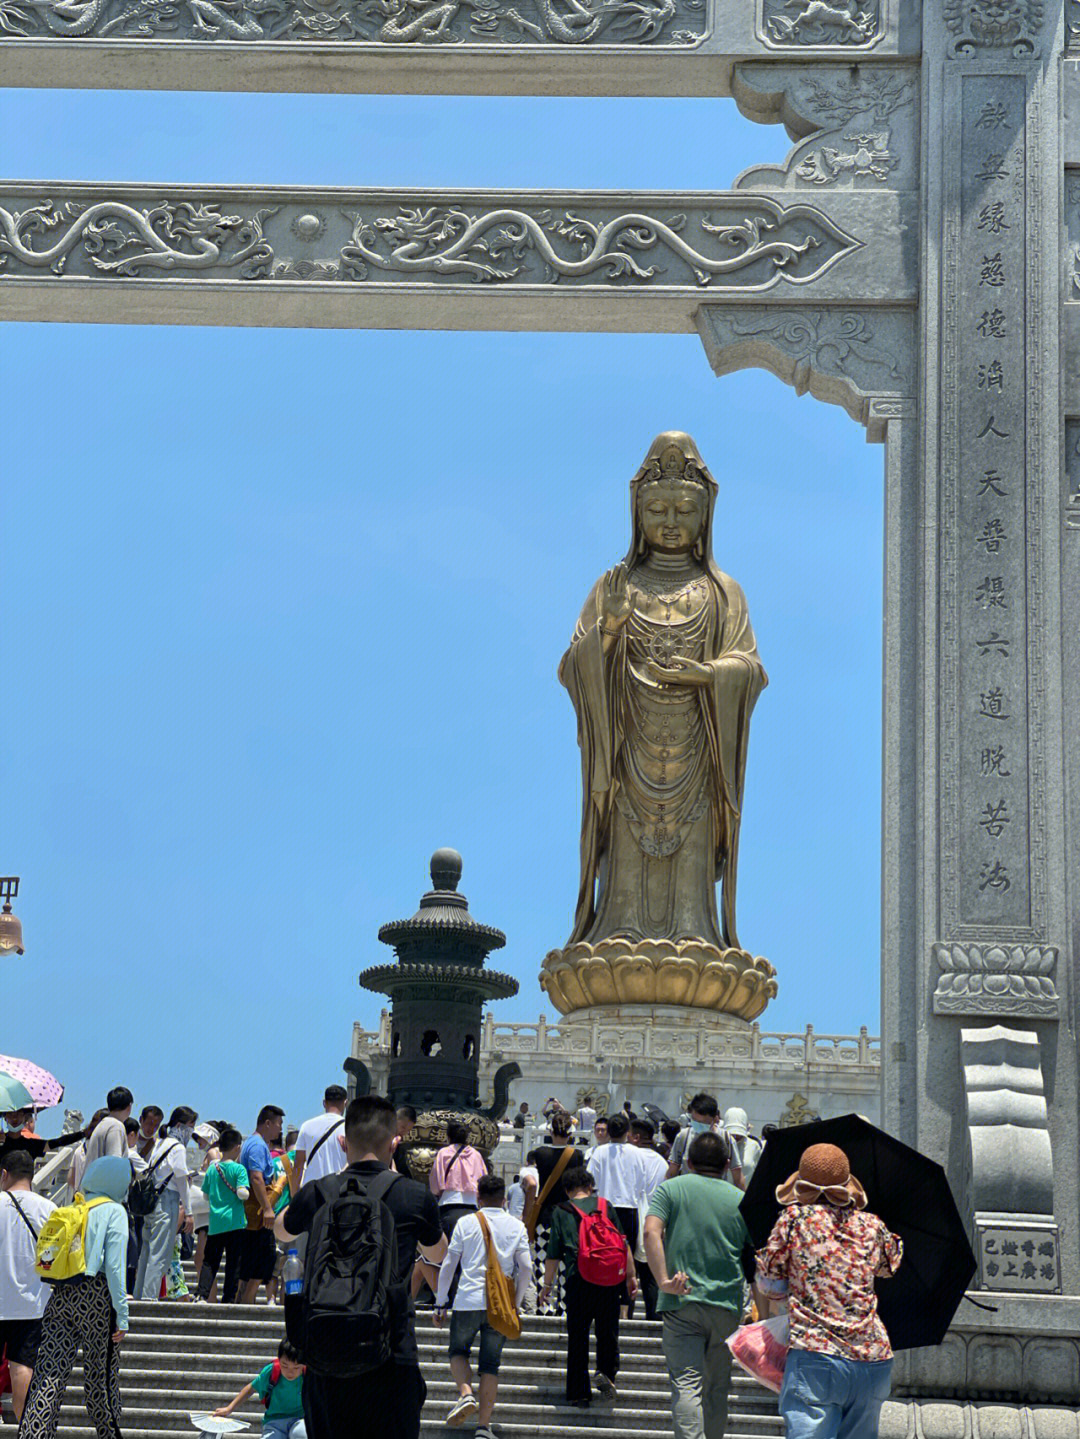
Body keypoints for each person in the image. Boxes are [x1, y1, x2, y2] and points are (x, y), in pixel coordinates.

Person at [276, 1095, 447, 1439]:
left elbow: (282, 1229)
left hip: (326, 1356)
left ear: (343, 1142)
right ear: (394, 1142)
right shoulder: (413, 1195)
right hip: (391, 1355)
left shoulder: (318, 1192)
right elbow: (439, 1253)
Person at [756, 1143, 903, 1439]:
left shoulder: (794, 1219)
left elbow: (769, 1275)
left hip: (816, 1355)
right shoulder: (872, 1225)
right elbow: (890, 1266)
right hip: (872, 1357)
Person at [645, 1131, 749, 1439]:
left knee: (686, 1383)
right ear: (728, 1164)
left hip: (682, 1301)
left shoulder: (670, 1190)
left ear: (688, 1162)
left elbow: (651, 1233)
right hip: (726, 1305)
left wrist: (663, 1280)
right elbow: (756, 1258)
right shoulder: (741, 1199)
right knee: (717, 1388)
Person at [19, 1155, 130, 1439]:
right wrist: (122, 1315)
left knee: (49, 1374)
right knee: (100, 1379)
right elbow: (115, 1267)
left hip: (62, 1295)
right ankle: (110, 1434)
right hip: (97, 1298)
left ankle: (33, 1434)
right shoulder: (115, 1211)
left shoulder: (73, 1207)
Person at [433, 1173, 530, 1437]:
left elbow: (449, 1265)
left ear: (478, 1197)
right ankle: (483, 1428)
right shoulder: (516, 1226)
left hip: (467, 1300)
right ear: (505, 1200)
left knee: (457, 1351)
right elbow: (526, 1268)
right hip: (500, 1306)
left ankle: (465, 1394)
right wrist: (517, 1303)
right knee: (490, 1365)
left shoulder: (466, 1222)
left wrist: (441, 1302)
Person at [542, 1166, 637, 1409]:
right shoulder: (605, 1206)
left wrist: (547, 1285)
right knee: (608, 1331)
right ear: (590, 1186)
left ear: (567, 1189)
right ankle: (607, 1373)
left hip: (578, 1279)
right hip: (609, 1279)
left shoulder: (561, 1210)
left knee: (578, 1335)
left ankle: (578, 1392)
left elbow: (553, 1252)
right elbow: (623, 1243)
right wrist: (630, 1276)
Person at [0, 1151, 57, 1420]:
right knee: (22, 1366)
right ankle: (27, 1428)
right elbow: (53, 1260)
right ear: (32, 1176)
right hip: (33, 1303)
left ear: (4, 1174)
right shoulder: (49, 1209)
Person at [586, 1112, 648, 1302]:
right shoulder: (637, 1153)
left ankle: (606, 1298)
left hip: (603, 1208)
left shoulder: (599, 1152)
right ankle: (625, 1304)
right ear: (627, 1132)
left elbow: (590, 1182)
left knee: (605, 1255)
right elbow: (641, 1183)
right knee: (626, 1257)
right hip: (629, 1208)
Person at [136, 1105, 196, 1301]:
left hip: (153, 1203)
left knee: (146, 1252)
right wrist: (188, 1212)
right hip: (167, 1202)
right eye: (190, 1126)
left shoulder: (160, 1143)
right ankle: (149, 1298)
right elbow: (181, 1179)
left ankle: (140, 1296)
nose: (192, 1131)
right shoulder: (177, 1148)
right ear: (180, 1125)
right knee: (159, 1254)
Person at [522, 1111, 576, 1314]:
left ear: (550, 1130)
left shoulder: (541, 1154)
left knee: (542, 1260)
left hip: (545, 1216)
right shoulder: (577, 1156)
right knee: (565, 1261)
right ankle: (562, 1305)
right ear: (570, 1132)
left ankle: (543, 1305)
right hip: (569, 1216)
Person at [196, 1126, 250, 1304]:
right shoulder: (239, 1169)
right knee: (233, 1264)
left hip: (216, 1223)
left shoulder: (212, 1169)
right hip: (235, 1223)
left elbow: (205, 1195)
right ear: (237, 1148)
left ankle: (202, 1294)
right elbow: (243, 1193)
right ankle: (228, 1298)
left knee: (210, 1261)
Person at [214, 1337, 307, 1439]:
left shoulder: (308, 1374)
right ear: (279, 1360)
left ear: (304, 1364)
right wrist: (229, 1408)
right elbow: (251, 1388)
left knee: (301, 1434)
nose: (290, 1372)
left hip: (300, 1419)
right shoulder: (271, 1371)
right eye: (285, 1365)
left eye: (296, 1367)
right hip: (274, 1421)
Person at [240, 1105, 285, 1306]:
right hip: (258, 1212)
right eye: (278, 1124)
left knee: (251, 1260)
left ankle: (242, 1300)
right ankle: (246, 1301)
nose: (280, 1129)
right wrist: (267, 1208)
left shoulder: (250, 1143)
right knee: (264, 1260)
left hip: (252, 1212)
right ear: (268, 1123)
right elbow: (257, 1177)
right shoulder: (258, 1146)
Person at [629, 1118, 669, 1320]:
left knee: (628, 1274)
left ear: (635, 1136)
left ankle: (624, 1316)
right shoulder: (662, 1163)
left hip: (629, 1218)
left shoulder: (629, 1156)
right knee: (650, 1276)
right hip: (654, 1221)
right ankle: (653, 1319)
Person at [665, 1094, 743, 1189]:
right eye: (694, 1121)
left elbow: (738, 1177)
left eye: (702, 1123)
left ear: (715, 1119)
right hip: (688, 1194)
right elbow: (672, 1172)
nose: (697, 1125)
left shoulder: (726, 1139)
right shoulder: (683, 1137)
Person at [429, 1120, 487, 1240]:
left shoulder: (443, 1153)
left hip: (448, 1206)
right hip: (472, 1207)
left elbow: (435, 1185)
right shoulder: (476, 1154)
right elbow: (484, 1180)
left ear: (449, 1136)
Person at [293, 1086, 348, 1191]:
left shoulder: (307, 1126)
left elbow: (298, 1166)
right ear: (345, 1103)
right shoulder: (349, 1128)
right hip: (338, 1191)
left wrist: (294, 1196)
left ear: (324, 1103)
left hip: (311, 1192)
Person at [82, 1089, 133, 1168]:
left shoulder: (103, 1124)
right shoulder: (116, 1126)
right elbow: (114, 1162)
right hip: (104, 1180)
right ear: (129, 1106)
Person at [68, 1110, 107, 1199]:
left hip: (79, 1199)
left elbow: (70, 1179)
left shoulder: (79, 1149)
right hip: (98, 1200)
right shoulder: (103, 1147)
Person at [722, 1108, 763, 1185]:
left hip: (746, 1194)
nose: (735, 1136)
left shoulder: (754, 1146)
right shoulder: (719, 1145)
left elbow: (760, 1173)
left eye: (738, 1134)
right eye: (732, 1134)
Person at [392, 1107, 417, 1177]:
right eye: (403, 1127)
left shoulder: (398, 1146)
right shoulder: (383, 1140)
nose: (404, 1132)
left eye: (408, 1130)